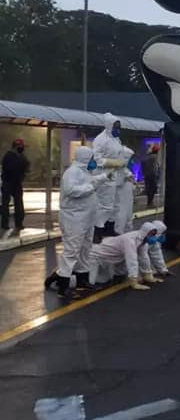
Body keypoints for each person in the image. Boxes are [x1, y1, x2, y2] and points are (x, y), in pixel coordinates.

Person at [44, 146, 111, 299]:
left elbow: (92, 182)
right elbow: (71, 191)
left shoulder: (85, 172)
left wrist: (102, 178)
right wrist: (92, 186)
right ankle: (63, 285)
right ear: (85, 158)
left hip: (86, 218)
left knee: (85, 249)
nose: (94, 162)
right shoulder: (72, 173)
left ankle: (82, 280)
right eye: (92, 159)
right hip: (73, 218)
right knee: (71, 250)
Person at [89, 221, 162, 290]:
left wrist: (148, 275)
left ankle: (117, 276)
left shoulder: (142, 241)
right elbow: (132, 260)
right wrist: (134, 281)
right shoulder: (130, 240)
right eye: (151, 234)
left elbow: (144, 258)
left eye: (154, 234)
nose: (153, 237)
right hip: (95, 255)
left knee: (104, 281)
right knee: (91, 283)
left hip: (107, 257)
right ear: (145, 232)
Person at [92, 113, 127, 239]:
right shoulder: (100, 140)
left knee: (115, 205)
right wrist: (112, 163)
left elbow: (120, 155)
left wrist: (124, 168)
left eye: (119, 127)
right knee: (105, 205)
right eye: (115, 127)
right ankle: (98, 231)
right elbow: (97, 159)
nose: (118, 130)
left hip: (116, 175)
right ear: (108, 126)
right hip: (105, 176)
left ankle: (110, 228)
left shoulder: (116, 139)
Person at [1, 138, 30, 237]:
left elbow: (26, 165)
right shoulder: (9, 156)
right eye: (22, 147)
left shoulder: (20, 156)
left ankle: (19, 223)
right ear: (17, 147)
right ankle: (5, 224)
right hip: (8, 182)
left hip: (16, 183)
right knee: (6, 204)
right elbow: (9, 169)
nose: (23, 149)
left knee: (18, 203)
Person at [114, 148, 136, 237]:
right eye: (131, 159)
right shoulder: (118, 171)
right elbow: (118, 182)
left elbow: (131, 185)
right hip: (120, 202)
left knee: (128, 219)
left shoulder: (127, 171)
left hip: (128, 202)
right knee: (121, 219)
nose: (132, 162)